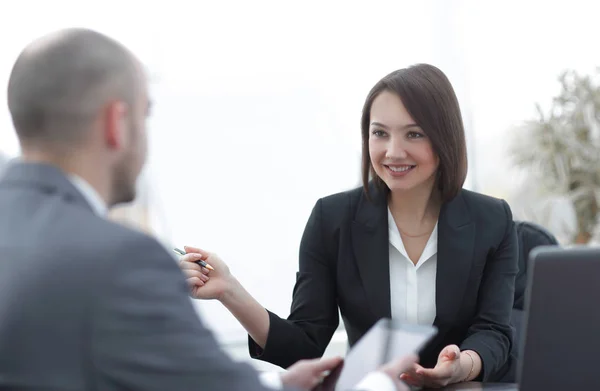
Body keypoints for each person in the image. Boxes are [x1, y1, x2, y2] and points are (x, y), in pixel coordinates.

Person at [0, 28, 416, 391]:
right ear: (117, 122)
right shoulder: (118, 258)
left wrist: (275, 384)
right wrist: (379, 383)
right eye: (147, 115)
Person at [181, 64, 519, 388]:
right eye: (379, 133)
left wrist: (463, 366)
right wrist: (229, 291)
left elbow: (494, 332)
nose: (393, 151)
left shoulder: (492, 220)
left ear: (445, 138)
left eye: (414, 134)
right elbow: (303, 345)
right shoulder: (332, 220)